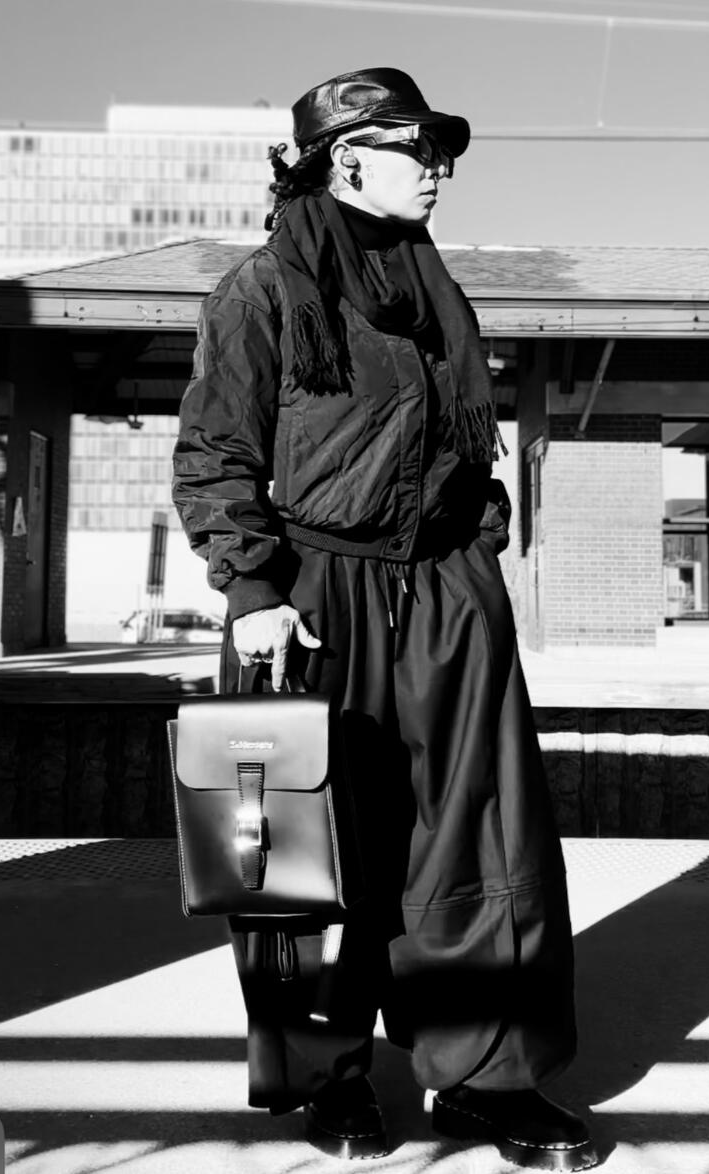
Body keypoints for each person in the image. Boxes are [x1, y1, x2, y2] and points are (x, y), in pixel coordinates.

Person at [172, 67, 598, 1172]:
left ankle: (484, 1078)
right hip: (313, 592)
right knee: (305, 849)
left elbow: (461, 440)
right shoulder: (263, 291)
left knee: (483, 836)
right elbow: (217, 451)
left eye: (443, 149)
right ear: (345, 156)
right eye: (420, 148)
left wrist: (481, 541)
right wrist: (253, 590)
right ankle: (332, 1076)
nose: (439, 169)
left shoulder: (429, 287)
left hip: (445, 588)